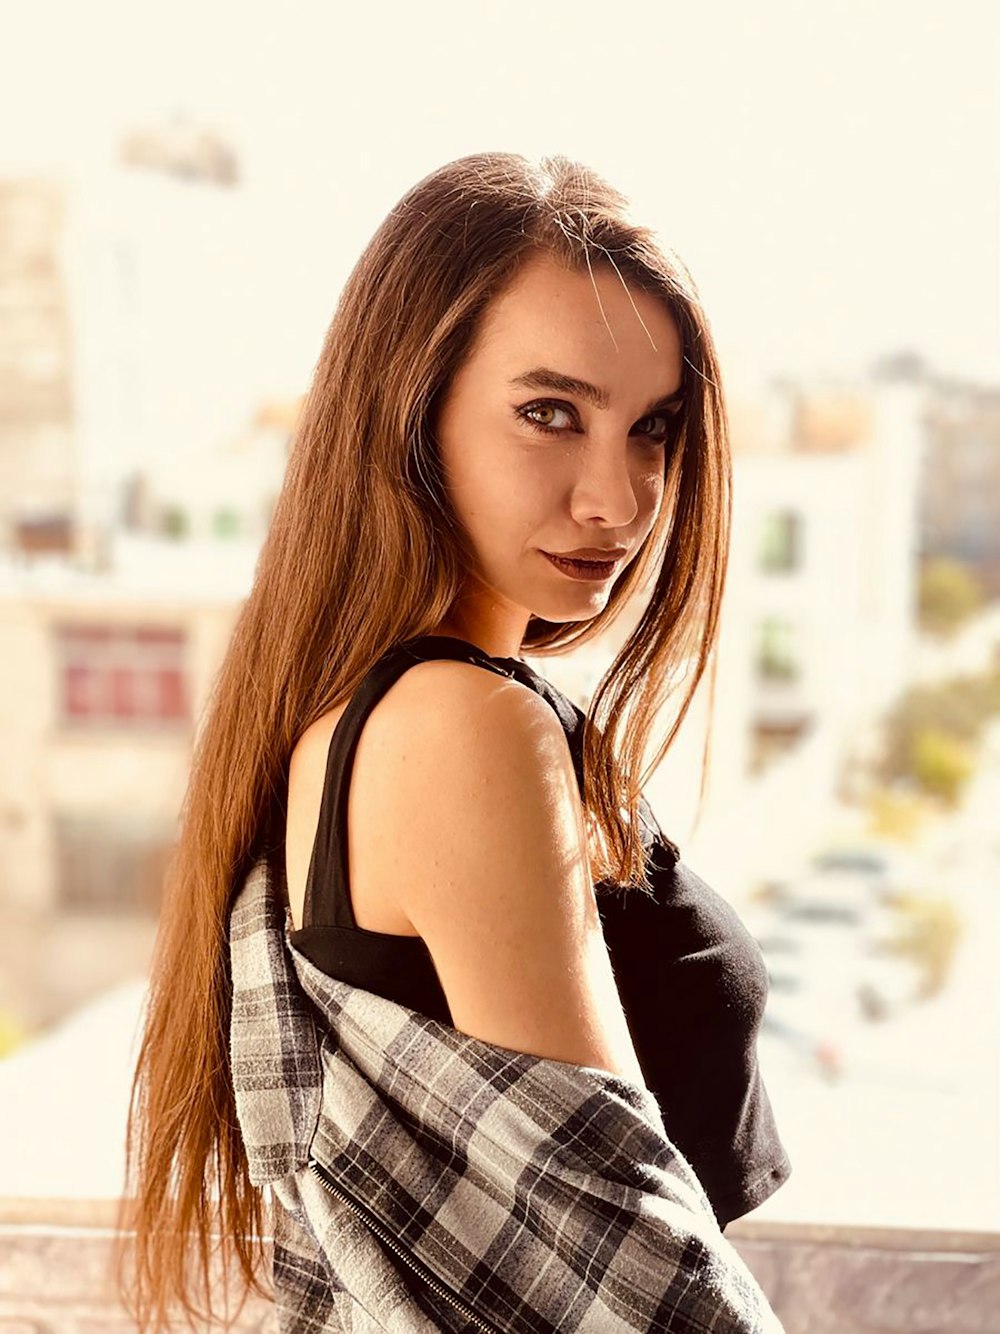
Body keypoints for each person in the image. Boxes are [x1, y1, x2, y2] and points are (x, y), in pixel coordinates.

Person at [119, 151, 790, 1331]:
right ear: (409, 407)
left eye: (653, 429)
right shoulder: (463, 725)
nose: (621, 498)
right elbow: (624, 1255)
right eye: (549, 413)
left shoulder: (358, 710)